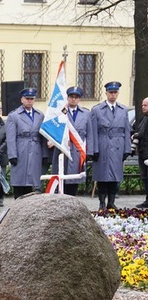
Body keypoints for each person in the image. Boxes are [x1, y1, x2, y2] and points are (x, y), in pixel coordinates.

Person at [89, 81, 132, 210]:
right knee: (102, 176)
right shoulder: (97, 110)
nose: (113, 95)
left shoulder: (123, 110)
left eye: (115, 92)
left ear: (118, 93)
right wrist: (93, 149)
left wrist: (127, 148)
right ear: (106, 93)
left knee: (115, 176)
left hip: (118, 145)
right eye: (111, 92)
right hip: (103, 144)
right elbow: (92, 131)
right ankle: (102, 202)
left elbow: (127, 130)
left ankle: (111, 202)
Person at [6, 87, 48, 199]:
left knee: (33, 181)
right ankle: (18, 203)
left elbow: (43, 136)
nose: (29, 101)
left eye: (32, 98)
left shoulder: (40, 115)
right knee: (20, 180)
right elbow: (10, 137)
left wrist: (45, 154)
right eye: (27, 98)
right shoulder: (14, 116)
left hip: (35, 149)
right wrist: (12, 155)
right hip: (21, 148)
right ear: (22, 99)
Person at [51, 86, 91, 196]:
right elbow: (54, 130)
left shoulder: (86, 114)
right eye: (71, 96)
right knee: (61, 179)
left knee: (74, 180)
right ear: (67, 98)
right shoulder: (60, 112)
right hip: (63, 151)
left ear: (79, 99)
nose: (73, 99)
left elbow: (89, 133)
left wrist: (90, 152)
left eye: (76, 97)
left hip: (78, 151)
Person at [132, 96, 148, 209]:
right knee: (145, 178)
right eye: (142, 105)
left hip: (147, 154)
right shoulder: (144, 118)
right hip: (142, 154)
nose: (143, 107)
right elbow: (139, 132)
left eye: (145, 105)